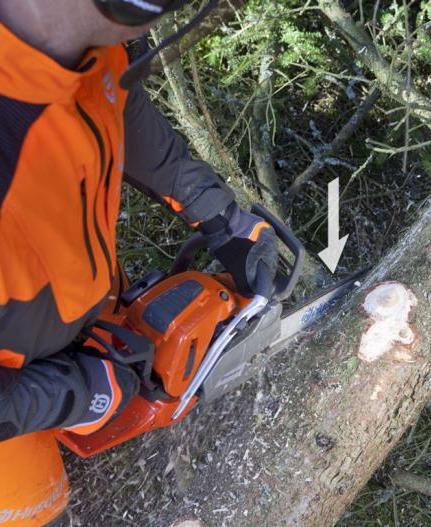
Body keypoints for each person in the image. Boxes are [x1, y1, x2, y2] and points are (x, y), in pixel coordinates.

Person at [0, 0, 278, 442]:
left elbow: (120, 114)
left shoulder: (98, 49)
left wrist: (220, 216)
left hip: (83, 320)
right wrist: (72, 393)